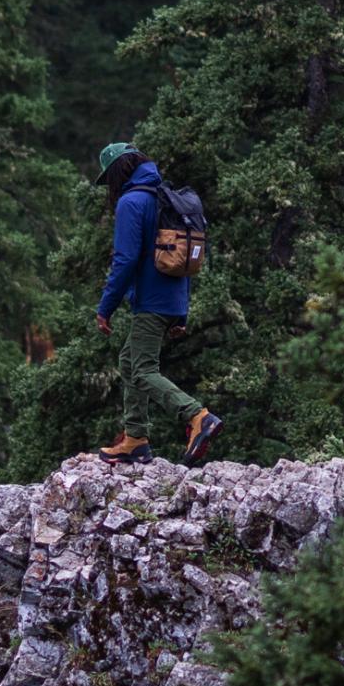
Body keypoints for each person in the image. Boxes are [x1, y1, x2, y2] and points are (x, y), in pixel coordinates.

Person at [92, 142, 223, 466]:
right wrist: (182, 311)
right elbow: (186, 259)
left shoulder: (131, 202)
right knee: (129, 360)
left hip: (150, 302)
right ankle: (135, 438)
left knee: (143, 369)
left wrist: (105, 307)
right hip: (171, 300)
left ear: (116, 173)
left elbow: (125, 260)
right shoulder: (166, 198)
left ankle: (197, 415)